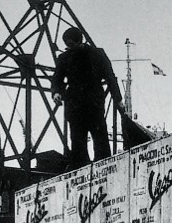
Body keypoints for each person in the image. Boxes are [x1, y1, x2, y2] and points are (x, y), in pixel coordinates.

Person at [51, 27, 124, 169]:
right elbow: (56, 80)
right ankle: (81, 169)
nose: (69, 47)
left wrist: (118, 99)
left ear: (79, 40)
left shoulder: (97, 54)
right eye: (67, 44)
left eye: (71, 44)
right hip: (77, 105)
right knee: (78, 142)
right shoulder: (65, 58)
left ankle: (103, 168)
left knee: (100, 138)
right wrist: (56, 92)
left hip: (92, 103)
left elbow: (110, 77)